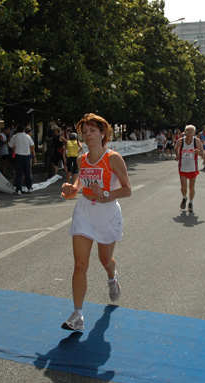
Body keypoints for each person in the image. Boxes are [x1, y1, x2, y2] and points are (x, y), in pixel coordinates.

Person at [60, 113, 132, 331]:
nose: (87, 134)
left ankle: (112, 276)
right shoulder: (82, 159)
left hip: (107, 212)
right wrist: (71, 189)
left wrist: (106, 194)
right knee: (80, 264)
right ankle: (77, 315)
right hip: (84, 211)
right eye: (84, 131)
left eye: (92, 130)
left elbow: (127, 190)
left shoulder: (113, 158)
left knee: (105, 259)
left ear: (103, 133)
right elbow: (80, 183)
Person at [175, 125, 204, 212]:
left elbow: (203, 154)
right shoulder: (181, 141)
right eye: (187, 132)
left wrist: (198, 153)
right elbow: (176, 148)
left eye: (191, 132)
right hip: (182, 167)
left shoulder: (197, 141)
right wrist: (177, 155)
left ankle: (190, 203)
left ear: (194, 133)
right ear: (185, 132)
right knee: (183, 186)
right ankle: (184, 198)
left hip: (193, 167)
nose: (189, 134)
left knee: (192, 187)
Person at [8, 124, 35, 195]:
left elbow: (10, 145)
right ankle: (29, 188)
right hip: (26, 155)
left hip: (18, 156)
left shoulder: (15, 136)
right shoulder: (27, 136)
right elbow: (32, 145)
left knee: (19, 173)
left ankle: (19, 189)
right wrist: (28, 150)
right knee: (27, 172)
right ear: (23, 130)